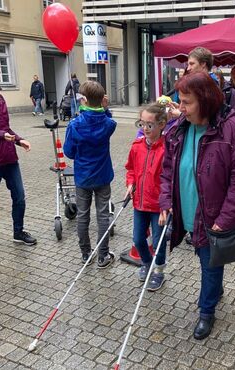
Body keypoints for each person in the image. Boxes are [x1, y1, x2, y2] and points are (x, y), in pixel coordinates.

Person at [159, 71, 235, 340]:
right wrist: (166, 201)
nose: (180, 108)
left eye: (186, 102)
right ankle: (214, 292)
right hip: (186, 212)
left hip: (214, 217)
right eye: (180, 101)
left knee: (209, 265)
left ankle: (207, 311)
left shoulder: (234, 129)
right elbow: (167, 170)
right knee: (212, 264)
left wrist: (224, 220)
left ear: (205, 101)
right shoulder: (180, 127)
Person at [63, 81, 116, 268]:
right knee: (103, 216)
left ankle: (86, 254)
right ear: (102, 100)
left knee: (83, 216)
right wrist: (106, 109)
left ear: (84, 100)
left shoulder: (75, 125)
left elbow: (68, 152)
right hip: (102, 176)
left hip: (83, 178)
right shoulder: (109, 123)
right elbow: (109, 120)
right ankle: (103, 256)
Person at [125, 103, 168, 291]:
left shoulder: (168, 149)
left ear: (161, 125)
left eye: (149, 125)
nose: (145, 128)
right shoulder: (136, 146)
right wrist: (130, 183)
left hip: (158, 206)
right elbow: (131, 169)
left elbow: (170, 179)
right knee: (138, 239)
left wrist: (166, 206)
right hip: (139, 203)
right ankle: (146, 263)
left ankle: (158, 271)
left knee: (158, 243)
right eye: (141, 124)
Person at [0, 67, 37, 246]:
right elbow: (1, 133)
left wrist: (20, 140)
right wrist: (1, 135)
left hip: (9, 159)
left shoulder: (0, 99)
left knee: (19, 196)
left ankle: (18, 232)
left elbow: (6, 129)